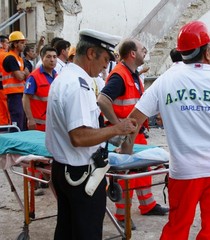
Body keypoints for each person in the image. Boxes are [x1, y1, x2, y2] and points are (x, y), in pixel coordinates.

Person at [121, 21, 210, 240]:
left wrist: (123, 154)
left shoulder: (164, 82)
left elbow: (132, 122)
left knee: (177, 228)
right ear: (207, 52)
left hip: (184, 171)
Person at [45, 29, 137, 240]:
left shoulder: (64, 78)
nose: (106, 65)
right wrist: (117, 128)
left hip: (65, 170)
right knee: (86, 232)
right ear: (91, 54)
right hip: (80, 175)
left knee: (67, 230)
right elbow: (79, 137)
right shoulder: (79, 86)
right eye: (105, 59)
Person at [97, 38, 169, 230]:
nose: (145, 52)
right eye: (142, 49)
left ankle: (147, 205)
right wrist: (117, 124)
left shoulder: (132, 74)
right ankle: (121, 215)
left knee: (142, 171)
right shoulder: (120, 75)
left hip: (135, 133)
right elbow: (102, 100)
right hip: (124, 135)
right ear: (132, 54)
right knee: (124, 174)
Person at [22, 45, 57, 131]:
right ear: (42, 58)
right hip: (39, 125)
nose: (52, 60)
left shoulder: (57, 76)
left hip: (54, 125)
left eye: (54, 57)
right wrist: (30, 119)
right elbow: (25, 99)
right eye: (48, 57)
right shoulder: (34, 77)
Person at [1, 31, 30, 130]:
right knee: (17, 121)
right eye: (21, 42)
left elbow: (27, 74)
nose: (24, 45)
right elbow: (20, 76)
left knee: (22, 121)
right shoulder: (10, 58)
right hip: (13, 95)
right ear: (15, 43)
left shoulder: (19, 59)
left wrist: (23, 73)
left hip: (20, 93)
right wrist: (23, 73)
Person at [0, 35, 11, 126]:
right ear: (2, 44)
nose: (8, 45)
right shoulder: (5, 55)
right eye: (7, 43)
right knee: (6, 109)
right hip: (5, 86)